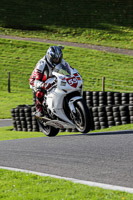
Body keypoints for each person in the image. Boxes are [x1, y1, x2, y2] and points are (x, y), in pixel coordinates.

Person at [29, 45, 67, 117]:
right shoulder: (42, 64)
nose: (57, 60)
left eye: (58, 58)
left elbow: (67, 72)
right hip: (37, 80)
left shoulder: (61, 61)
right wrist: (42, 85)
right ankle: (39, 109)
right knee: (40, 91)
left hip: (50, 77)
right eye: (55, 59)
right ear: (50, 57)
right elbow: (37, 80)